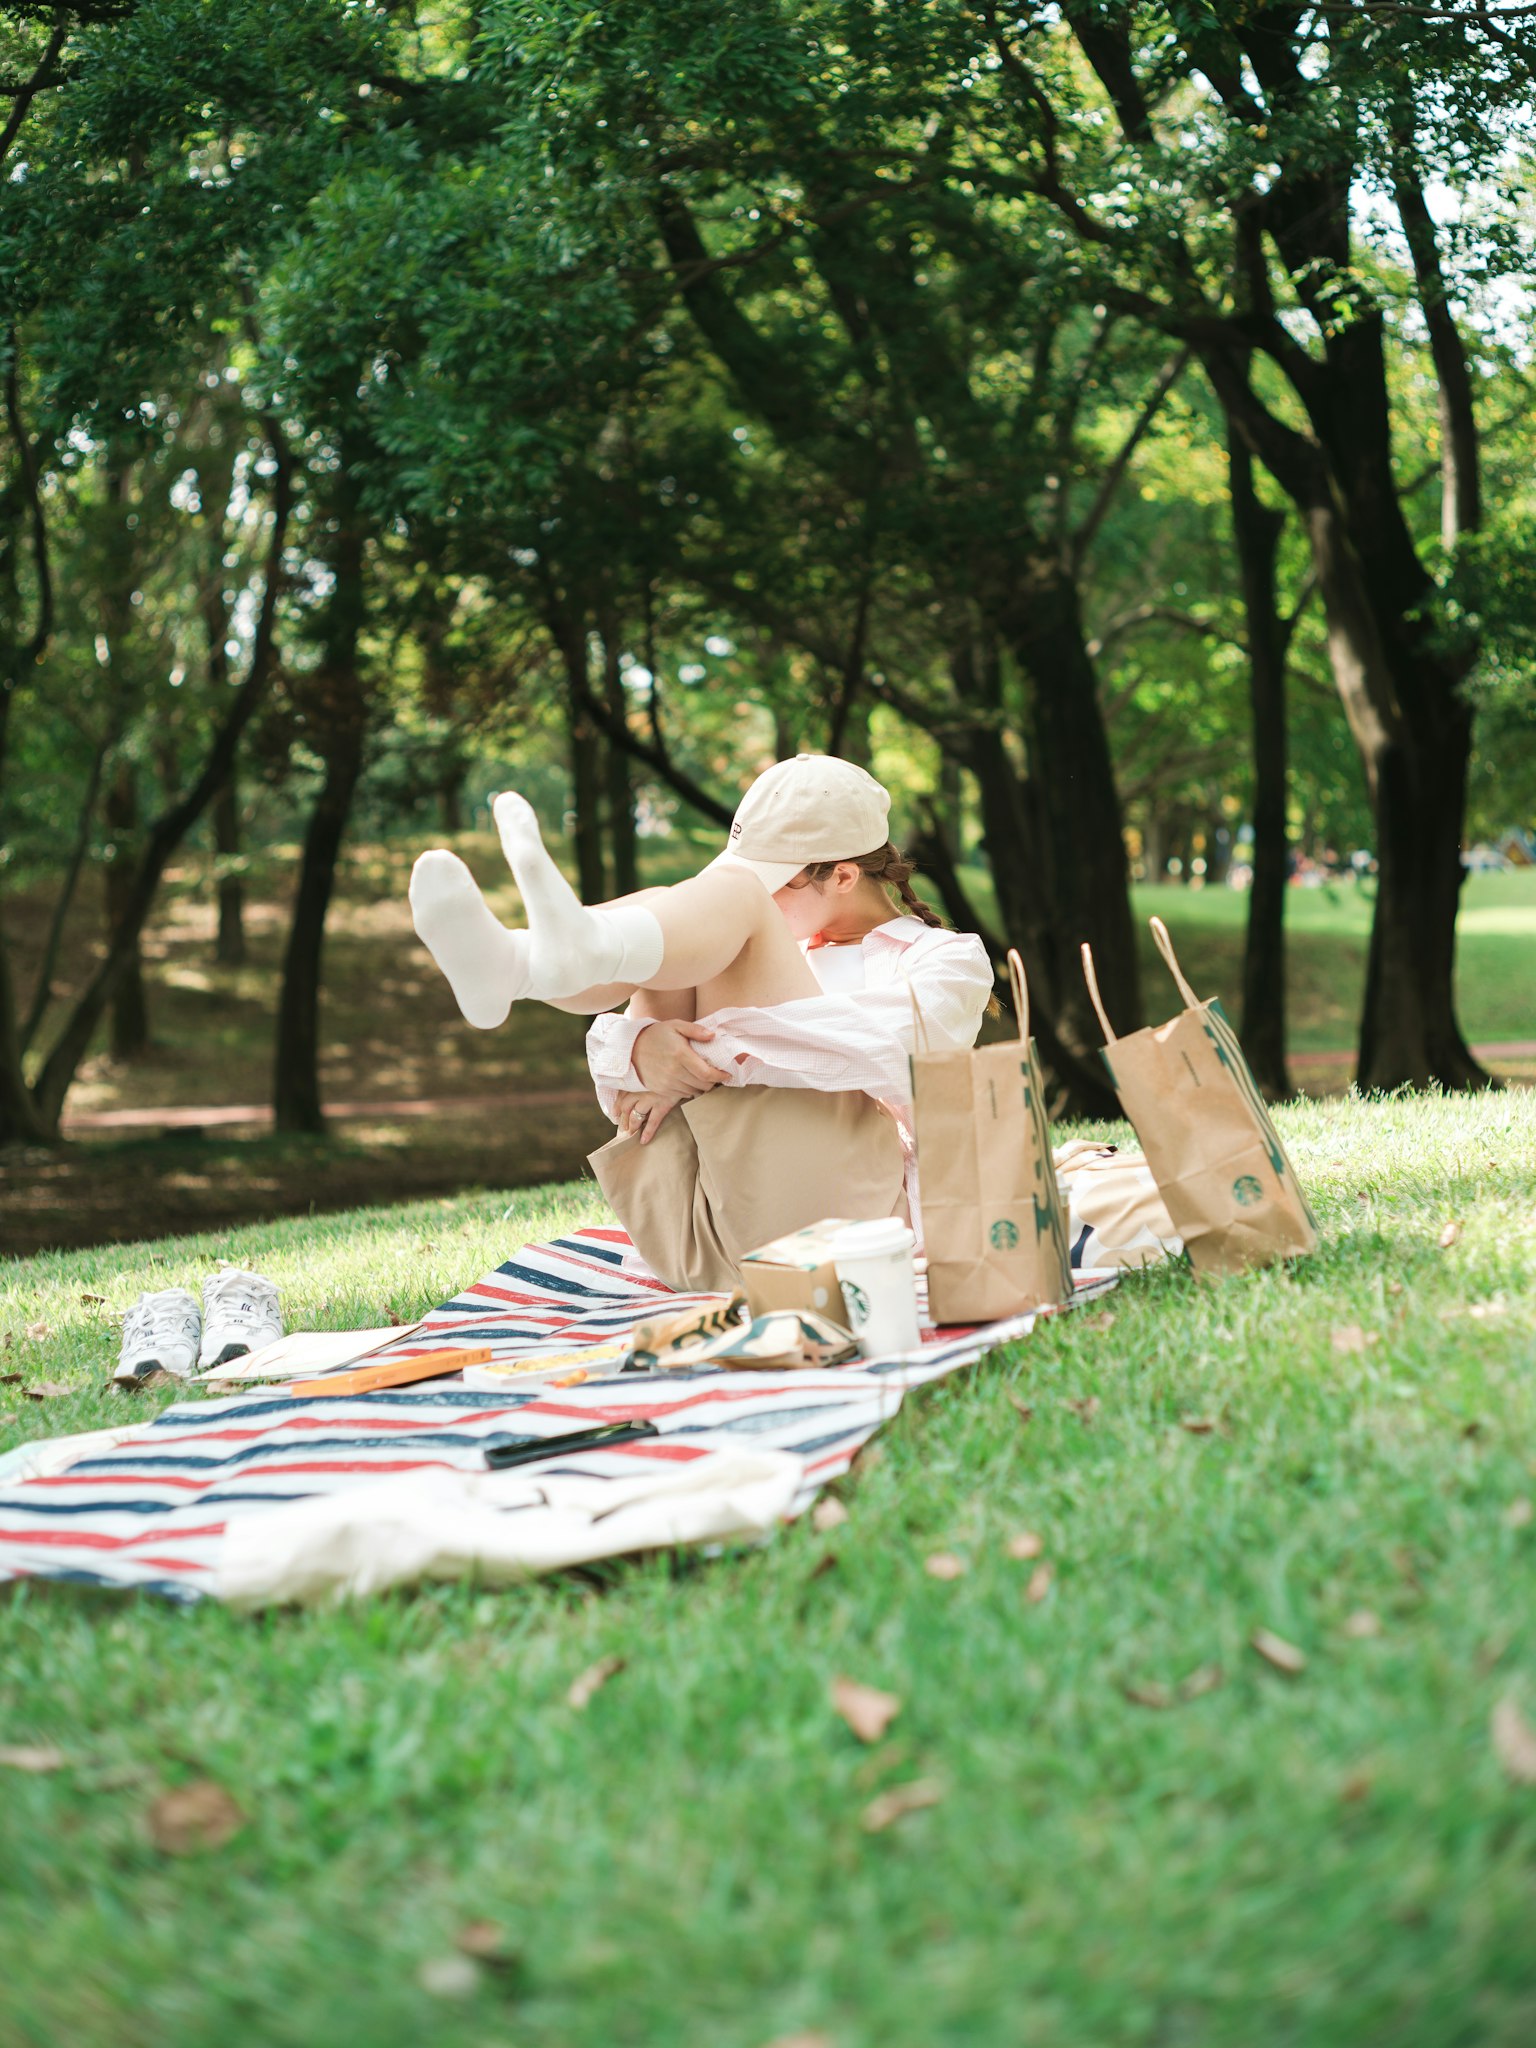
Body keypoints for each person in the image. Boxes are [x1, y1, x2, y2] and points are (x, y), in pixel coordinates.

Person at [409, 754, 993, 1292]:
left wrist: (672, 1055)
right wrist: (640, 1048)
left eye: (773, 883)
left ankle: (558, 954)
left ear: (843, 876)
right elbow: (627, 1087)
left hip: (847, 1232)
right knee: (679, 919)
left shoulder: (946, 960)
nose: (763, 897)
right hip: (695, 1230)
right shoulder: (749, 948)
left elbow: (873, 1053)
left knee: (727, 908)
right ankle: (518, 966)